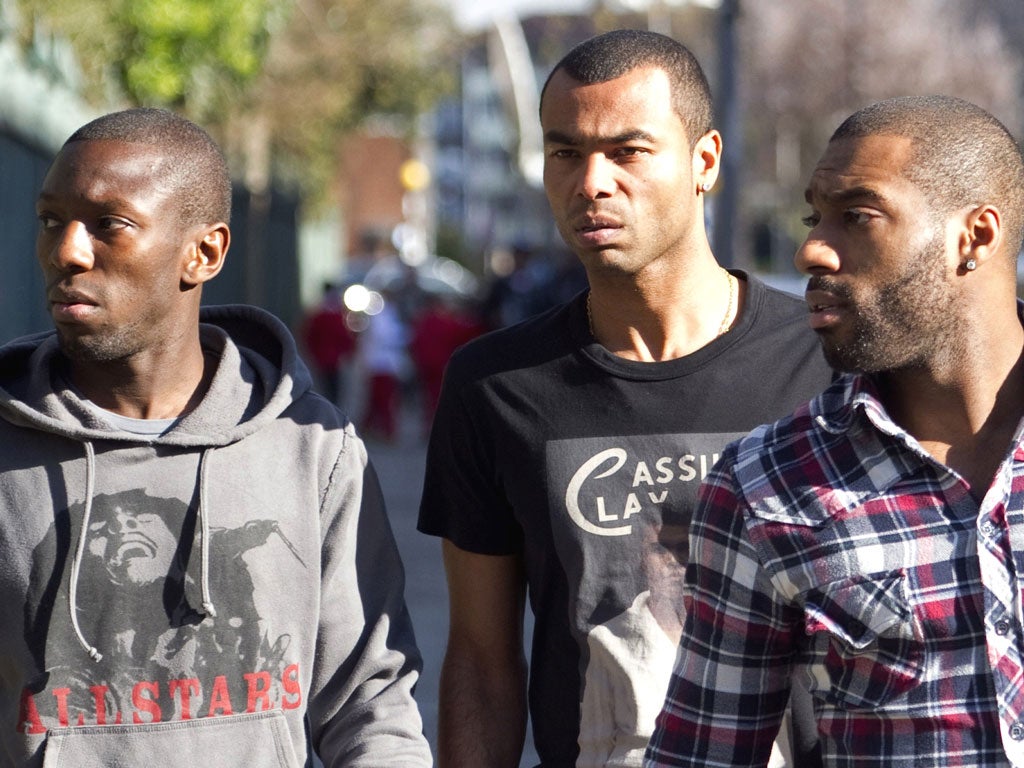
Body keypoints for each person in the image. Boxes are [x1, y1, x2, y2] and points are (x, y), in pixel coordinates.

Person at [417, 29, 833, 768]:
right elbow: (481, 662)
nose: (592, 182)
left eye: (627, 151)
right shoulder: (495, 386)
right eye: (565, 153)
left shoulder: (825, 363)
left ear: (705, 162)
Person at [6, 107, 431, 767]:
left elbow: (370, 705)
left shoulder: (310, 447)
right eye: (51, 220)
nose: (67, 250)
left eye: (108, 225)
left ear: (203, 252)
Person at [644, 95, 1024, 767]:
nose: (812, 248)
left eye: (858, 216)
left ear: (977, 236)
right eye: (815, 217)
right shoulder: (767, 486)